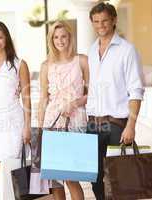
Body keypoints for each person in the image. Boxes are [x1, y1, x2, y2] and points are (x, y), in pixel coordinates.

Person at [86, 2, 144, 200]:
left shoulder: (127, 50)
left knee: (121, 179)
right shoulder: (92, 51)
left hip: (117, 125)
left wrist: (131, 125)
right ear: (92, 23)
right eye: (96, 21)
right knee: (95, 178)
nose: (100, 25)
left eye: (104, 21)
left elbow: (136, 90)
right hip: (93, 124)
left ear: (113, 21)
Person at [38, 21, 89, 200]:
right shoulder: (46, 65)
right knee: (54, 179)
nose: (60, 40)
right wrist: (40, 129)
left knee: (71, 177)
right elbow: (43, 99)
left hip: (75, 121)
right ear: (51, 40)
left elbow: (93, 95)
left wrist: (75, 103)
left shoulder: (82, 60)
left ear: (70, 37)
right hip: (52, 121)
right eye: (56, 37)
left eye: (63, 36)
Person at [0, 21, 31, 191]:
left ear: (7, 38)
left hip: (12, 123)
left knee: (9, 170)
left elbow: (26, 98)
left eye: (0, 37)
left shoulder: (19, 64)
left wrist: (27, 127)